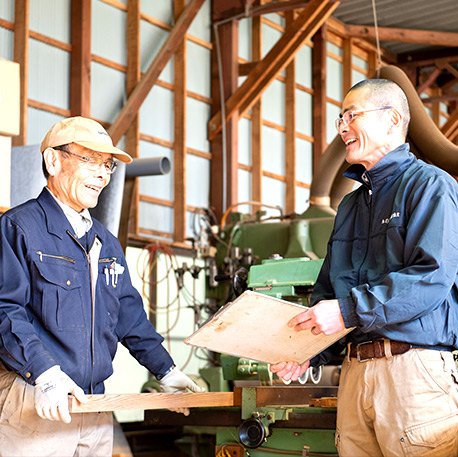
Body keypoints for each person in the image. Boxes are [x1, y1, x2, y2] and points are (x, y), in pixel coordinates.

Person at [270, 79, 458, 456]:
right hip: (354, 374)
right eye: (341, 118)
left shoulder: (431, 186)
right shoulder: (350, 207)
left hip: (412, 372)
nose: (341, 127)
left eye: (352, 115)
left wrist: (346, 311)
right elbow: (328, 291)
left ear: (391, 120)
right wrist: (311, 351)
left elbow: (430, 277)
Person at [0, 116, 203, 457]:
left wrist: (165, 369)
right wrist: (46, 374)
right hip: (38, 399)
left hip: (94, 404)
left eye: (107, 165)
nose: (102, 174)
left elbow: (127, 314)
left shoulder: (105, 242)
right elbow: (5, 311)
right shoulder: (18, 228)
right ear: (53, 161)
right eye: (89, 160)